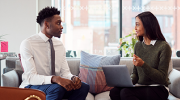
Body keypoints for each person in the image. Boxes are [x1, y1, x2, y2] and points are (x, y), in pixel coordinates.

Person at [19, 7, 89, 100]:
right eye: (58, 23)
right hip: (32, 85)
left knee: (83, 87)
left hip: (55, 87)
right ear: (47, 24)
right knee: (56, 88)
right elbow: (31, 77)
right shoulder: (28, 43)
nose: (62, 27)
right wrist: (55, 79)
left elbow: (65, 72)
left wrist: (73, 78)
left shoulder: (59, 45)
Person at [109, 11, 171, 100]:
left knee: (125, 93)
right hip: (141, 86)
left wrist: (143, 65)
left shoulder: (164, 46)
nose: (135, 28)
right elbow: (135, 73)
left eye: (137, 25)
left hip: (158, 88)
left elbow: (162, 78)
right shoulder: (138, 45)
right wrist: (128, 82)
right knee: (114, 92)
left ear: (147, 25)